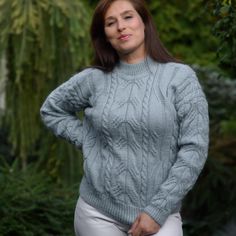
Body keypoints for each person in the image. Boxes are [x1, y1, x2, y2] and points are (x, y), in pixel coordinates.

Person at [40, 0, 209, 235]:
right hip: (97, 214)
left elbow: (194, 149)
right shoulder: (93, 79)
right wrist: (90, 140)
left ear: (144, 22)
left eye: (128, 17)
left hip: (161, 215)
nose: (121, 26)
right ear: (105, 35)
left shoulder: (180, 78)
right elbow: (52, 109)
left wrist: (157, 211)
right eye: (111, 23)